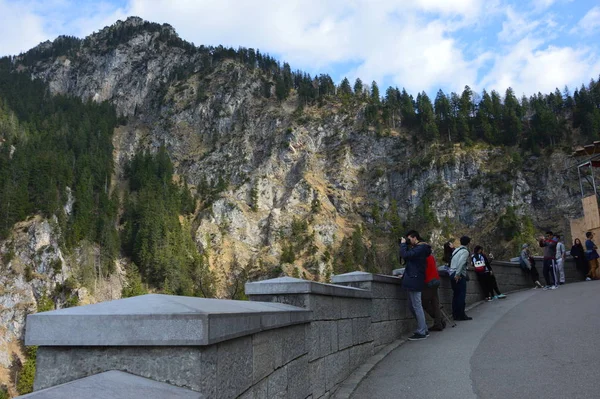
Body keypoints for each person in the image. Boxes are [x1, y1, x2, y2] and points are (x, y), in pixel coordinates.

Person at [399, 230, 432, 341]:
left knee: (417, 305)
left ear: (414, 238)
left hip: (415, 279)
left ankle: (422, 331)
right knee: (412, 305)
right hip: (413, 278)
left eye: (409, 239)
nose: (408, 241)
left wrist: (403, 245)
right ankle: (424, 328)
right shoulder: (419, 248)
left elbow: (406, 255)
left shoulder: (421, 248)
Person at [449, 236, 472, 321]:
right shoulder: (465, 252)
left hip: (451, 273)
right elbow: (461, 262)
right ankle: (461, 315)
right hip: (458, 275)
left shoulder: (456, 250)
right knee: (461, 295)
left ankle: (455, 314)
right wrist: (458, 274)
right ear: (468, 243)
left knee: (455, 295)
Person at [422, 254, 445, 331]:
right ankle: (439, 322)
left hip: (428, 281)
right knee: (435, 303)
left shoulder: (422, 256)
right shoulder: (430, 256)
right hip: (435, 279)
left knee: (424, 302)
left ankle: (440, 320)